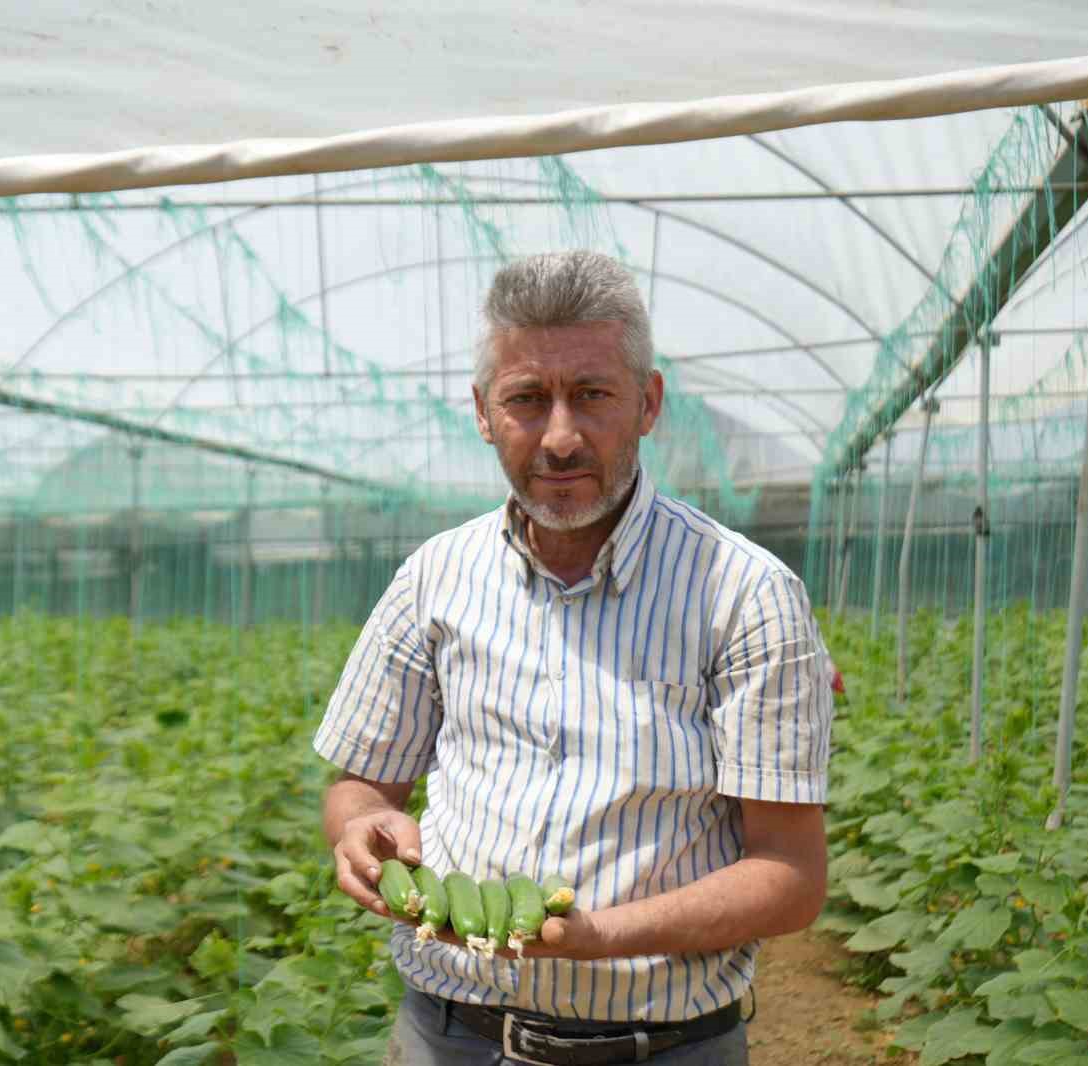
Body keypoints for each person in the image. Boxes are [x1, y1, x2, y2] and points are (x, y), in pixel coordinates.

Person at [314, 250, 835, 1065]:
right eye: (527, 399)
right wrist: (358, 825)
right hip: (449, 1038)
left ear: (648, 403)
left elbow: (790, 874)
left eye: (592, 395)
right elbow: (362, 784)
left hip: (663, 1048)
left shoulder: (746, 593)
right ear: (483, 412)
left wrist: (599, 937)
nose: (560, 438)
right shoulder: (433, 578)